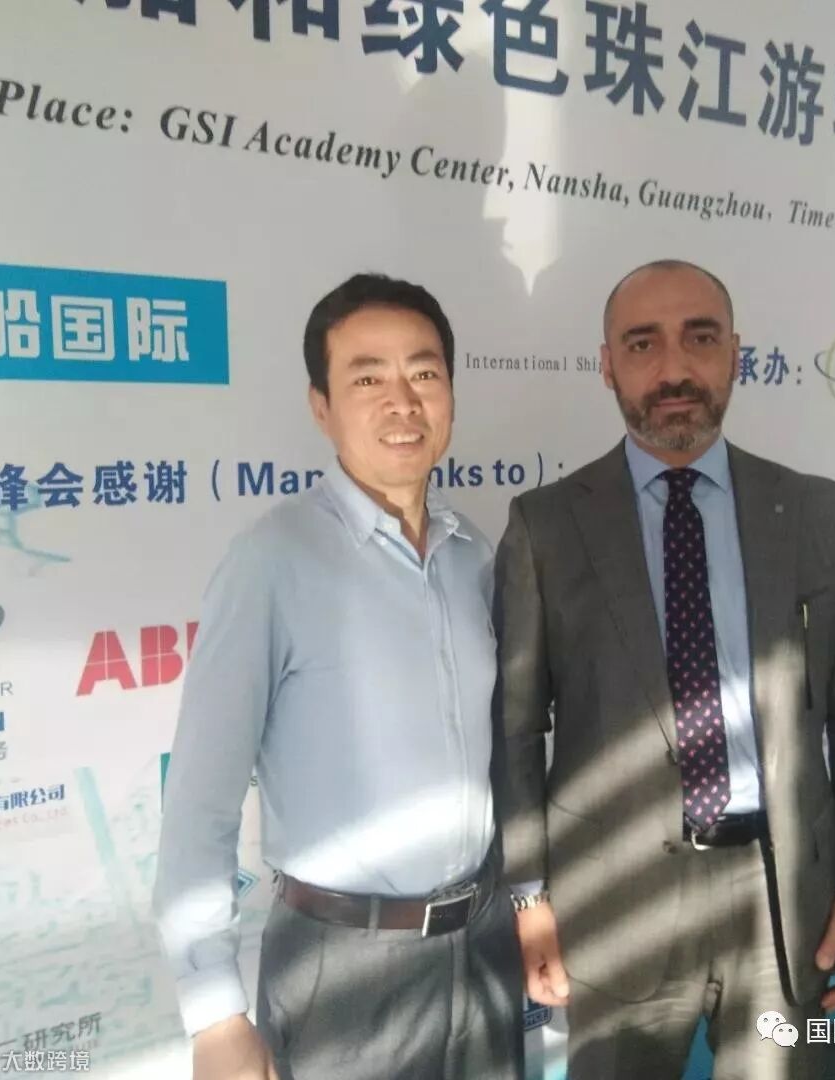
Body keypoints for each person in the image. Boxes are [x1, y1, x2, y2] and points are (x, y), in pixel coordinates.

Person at [492, 259, 835, 1079]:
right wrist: (530, 898)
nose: (674, 369)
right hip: (618, 902)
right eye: (643, 344)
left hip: (783, 901)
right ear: (607, 365)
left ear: (736, 355)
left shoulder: (819, 513)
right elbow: (516, 731)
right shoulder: (546, 529)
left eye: (700, 339)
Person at [154, 273, 524, 1080]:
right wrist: (214, 1012)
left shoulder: (472, 554)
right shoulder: (272, 561)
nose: (402, 402)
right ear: (321, 406)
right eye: (367, 379)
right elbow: (200, 802)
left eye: (423, 374)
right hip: (344, 967)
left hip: (483, 944)